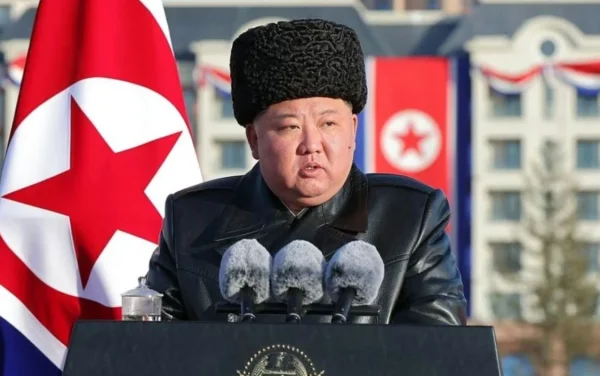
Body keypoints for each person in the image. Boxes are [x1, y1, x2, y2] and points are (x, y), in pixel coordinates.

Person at [145, 18, 467, 325]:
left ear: (353, 130)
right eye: (290, 127)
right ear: (254, 140)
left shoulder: (410, 219)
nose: (312, 145)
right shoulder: (191, 223)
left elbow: (438, 350)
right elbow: (155, 351)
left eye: (329, 124)